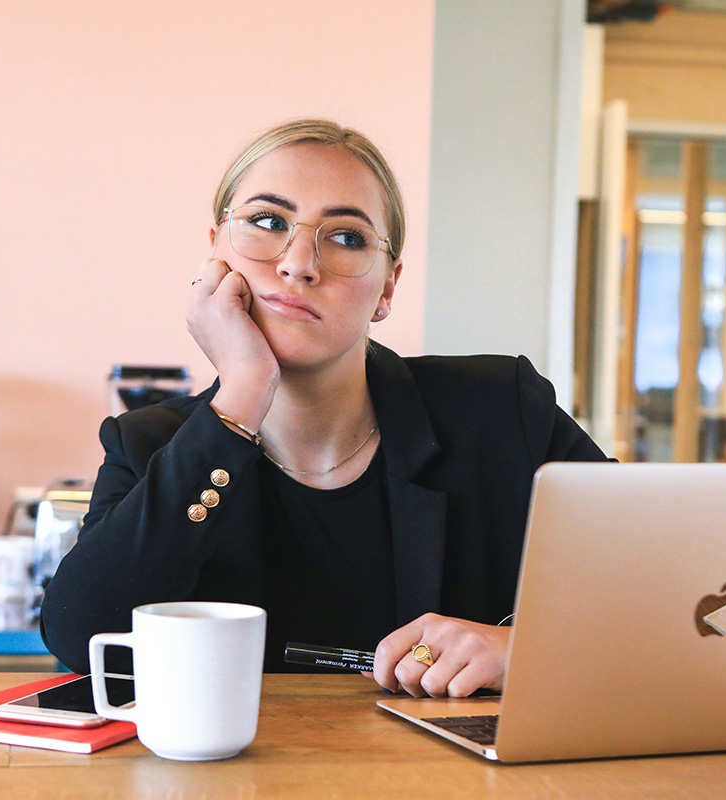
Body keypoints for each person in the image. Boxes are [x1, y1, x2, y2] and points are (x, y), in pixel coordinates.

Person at [40, 118, 609, 698]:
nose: (298, 263)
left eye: (346, 237)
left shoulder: (501, 410)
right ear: (215, 250)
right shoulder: (148, 444)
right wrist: (241, 393)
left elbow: (672, 596)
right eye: (267, 223)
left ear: (387, 287)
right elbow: (81, 637)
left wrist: (526, 650)